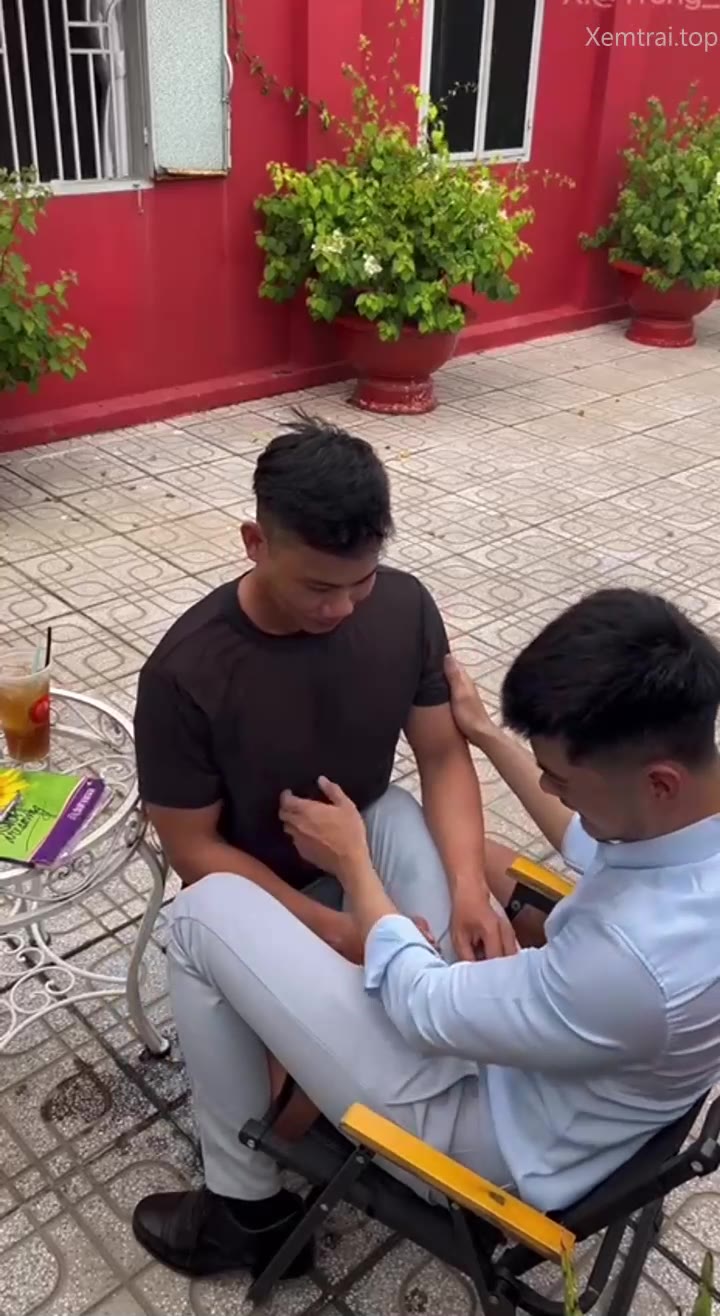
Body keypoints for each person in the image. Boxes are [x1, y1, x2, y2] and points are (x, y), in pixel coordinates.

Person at [132, 587, 720, 1279]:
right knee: (387, 811)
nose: (549, 789)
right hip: (557, 1073)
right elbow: (596, 842)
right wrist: (487, 735)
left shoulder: (631, 964)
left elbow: (424, 1008)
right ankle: (330, 1006)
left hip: (488, 1132)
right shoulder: (688, 816)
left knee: (203, 911)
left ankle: (243, 1212)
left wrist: (355, 875)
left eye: (561, 778)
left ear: (658, 783)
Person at [134, 415, 516, 973]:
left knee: (459, 966)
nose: (340, 608)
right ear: (255, 543)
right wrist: (340, 933)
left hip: (368, 833)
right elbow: (193, 849)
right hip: (255, 886)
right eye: (317, 587)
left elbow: (440, 755)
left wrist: (469, 887)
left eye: (360, 582)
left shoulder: (403, 607)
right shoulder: (185, 673)